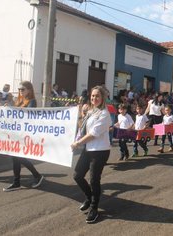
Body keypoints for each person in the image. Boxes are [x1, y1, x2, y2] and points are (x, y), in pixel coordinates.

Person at [71, 85, 111, 224]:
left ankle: (94, 207)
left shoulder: (104, 114)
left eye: (97, 96)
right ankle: (89, 197)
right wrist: (83, 115)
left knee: (94, 180)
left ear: (103, 98)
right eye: (92, 96)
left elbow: (93, 134)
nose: (94, 98)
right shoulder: (91, 111)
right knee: (77, 175)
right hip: (88, 149)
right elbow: (83, 128)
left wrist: (78, 144)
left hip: (100, 151)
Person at [3, 81, 44, 192]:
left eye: (23, 89)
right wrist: (6, 108)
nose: (20, 91)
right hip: (16, 133)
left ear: (29, 90)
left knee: (19, 157)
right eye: (19, 89)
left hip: (24, 135)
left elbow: (27, 114)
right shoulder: (19, 100)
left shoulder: (32, 101)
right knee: (15, 158)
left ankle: (36, 176)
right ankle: (18, 182)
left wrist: (12, 108)